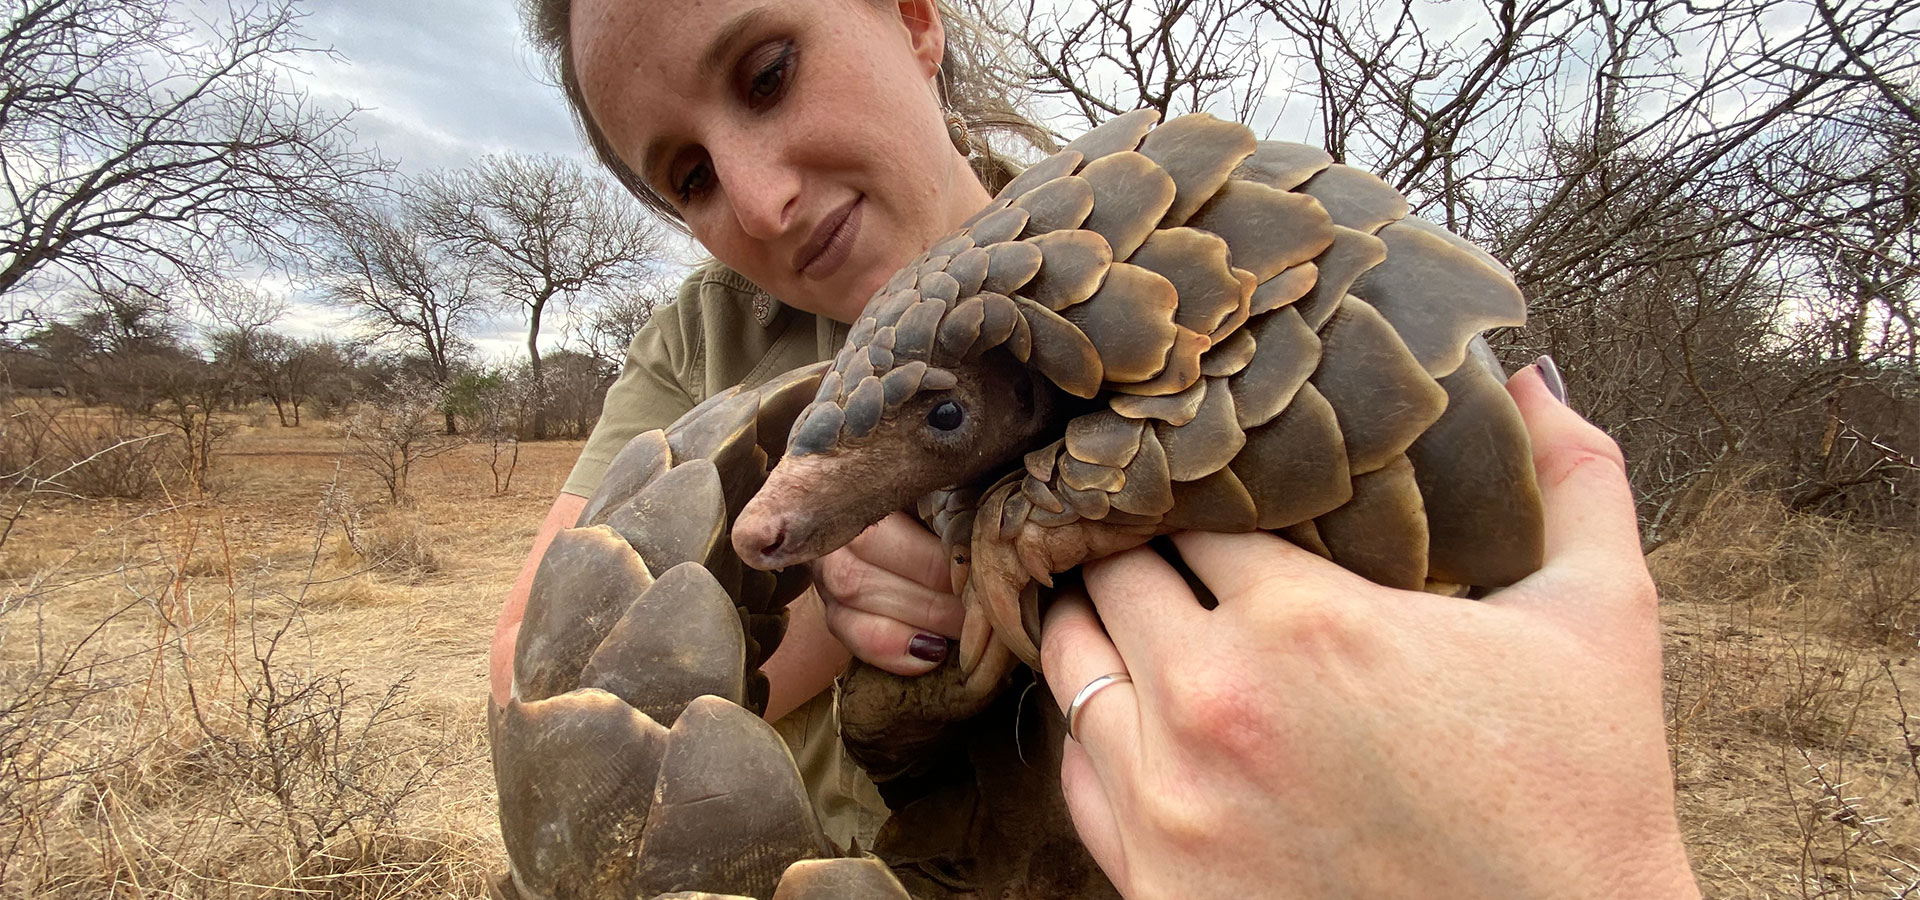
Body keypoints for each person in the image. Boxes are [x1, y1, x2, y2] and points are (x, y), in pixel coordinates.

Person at [490, 0, 1705, 894]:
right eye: (689, 177)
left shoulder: (1182, 250)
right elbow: (542, 688)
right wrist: (829, 591)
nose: (759, 202)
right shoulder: (708, 336)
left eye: (767, 73)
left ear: (913, 20)